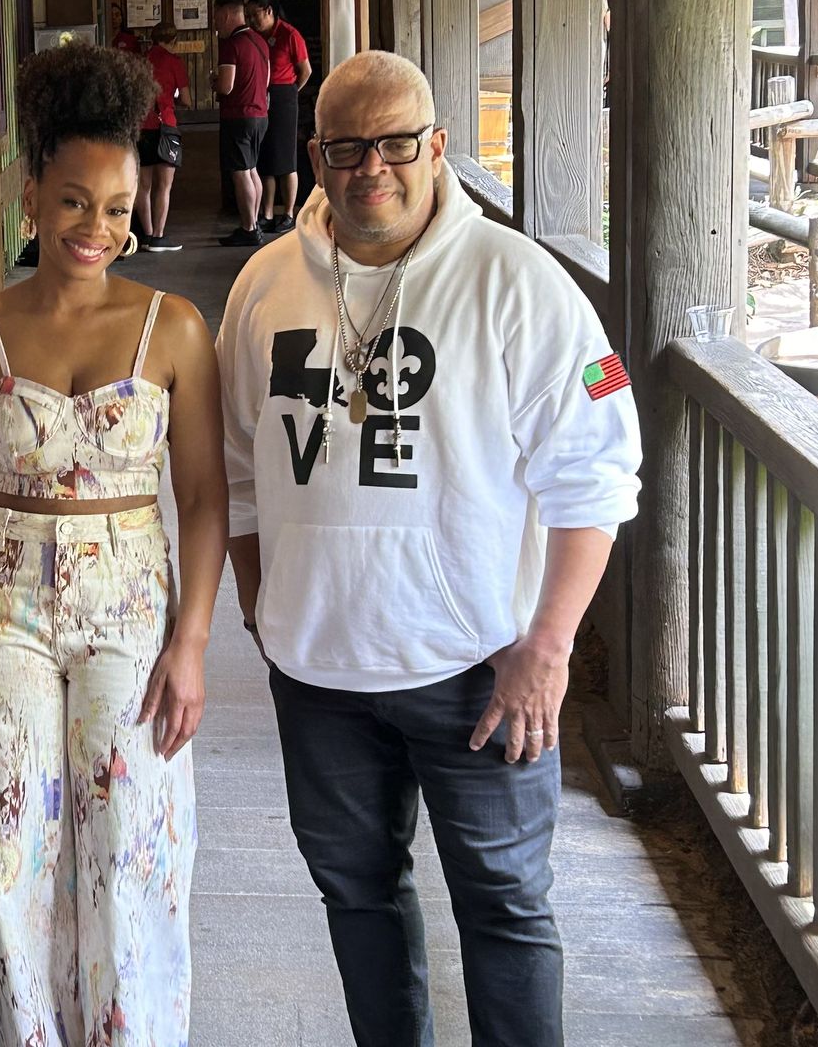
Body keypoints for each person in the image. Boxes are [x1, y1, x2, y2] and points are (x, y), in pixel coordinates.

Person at [217, 51, 642, 1046]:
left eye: (398, 142)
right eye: (348, 147)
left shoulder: (520, 282)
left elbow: (598, 467)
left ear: (437, 145)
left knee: (503, 902)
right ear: (315, 155)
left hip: (480, 671)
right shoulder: (264, 285)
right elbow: (238, 463)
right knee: (356, 896)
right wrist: (260, 606)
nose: (375, 167)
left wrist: (549, 646)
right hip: (318, 670)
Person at [0, 42, 227, 1046]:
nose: (95, 227)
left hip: (129, 608)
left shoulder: (174, 328)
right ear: (32, 196)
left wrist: (189, 644)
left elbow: (200, 497)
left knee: (130, 842)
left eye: (115, 204)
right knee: (11, 848)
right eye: (71, 201)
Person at [248, 0, 313, 234]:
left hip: (285, 95)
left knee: (286, 158)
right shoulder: (257, 37)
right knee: (266, 158)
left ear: (269, 11)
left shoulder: (289, 34)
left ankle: (288, 213)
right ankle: (266, 212)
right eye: (249, 16)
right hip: (262, 97)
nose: (252, 21)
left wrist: (292, 90)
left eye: (256, 15)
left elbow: (306, 70)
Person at [213, 0, 271, 247]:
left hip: (238, 116)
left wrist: (213, 82)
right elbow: (267, 81)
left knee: (240, 173)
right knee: (252, 170)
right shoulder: (261, 42)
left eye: (217, 18)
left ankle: (248, 228)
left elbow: (226, 86)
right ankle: (255, 223)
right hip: (260, 115)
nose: (217, 25)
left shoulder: (232, 45)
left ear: (227, 15)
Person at [137, 22, 189, 252]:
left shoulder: (141, 61)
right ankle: (159, 236)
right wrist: (171, 101)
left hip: (142, 126)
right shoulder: (174, 62)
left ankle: (147, 235)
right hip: (165, 125)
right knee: (164, 187)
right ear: (173, 41)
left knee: (144, 185)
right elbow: (186, 99)